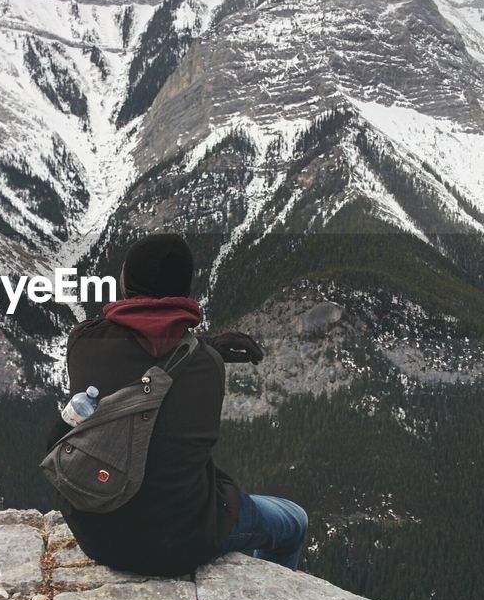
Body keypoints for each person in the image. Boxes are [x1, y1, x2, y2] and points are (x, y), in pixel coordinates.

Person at [44, 231, 308, 576]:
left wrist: (207, 346)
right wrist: (209, 347)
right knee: (293, 520)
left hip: (97, 535)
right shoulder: (207, 365)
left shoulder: (82, 343)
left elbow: (134, 359)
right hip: (180, 543)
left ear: (127, 283)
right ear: (184, 290)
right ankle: (276, 594)